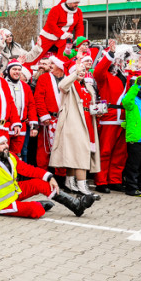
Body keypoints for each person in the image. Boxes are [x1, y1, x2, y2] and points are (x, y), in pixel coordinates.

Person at [0, 135, 91, 220]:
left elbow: (27, 169)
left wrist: (48, 176)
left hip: (13, 193)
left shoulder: (10, 156)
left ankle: (75, 205)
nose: (6, 146)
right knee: (36, 210)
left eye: (6, 142)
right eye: (2, 144)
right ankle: (39, 205)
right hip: (0, 205)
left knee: (41, 183)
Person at [49, 52, 101, 199]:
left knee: (74, 155)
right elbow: (62, 85)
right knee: (80, 154)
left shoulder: (88, 86)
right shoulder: (69, 86)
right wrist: (75, 72)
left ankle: (70, 182)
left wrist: (97, 110)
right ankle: (82, 185)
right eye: (79, 71)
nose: (82, 73)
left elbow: (90, 103)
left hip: (87, 121)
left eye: (84, 71)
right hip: (73, 123)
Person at [93, 41, 131, 193]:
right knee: (105, 151)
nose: (123, 62)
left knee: (120, 153)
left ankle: (114, 179)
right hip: (109, 118)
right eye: (121, 59)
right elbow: (97, 72)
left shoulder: (128, 77)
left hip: (124, 118)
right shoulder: (105, 76)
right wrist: (111, 54)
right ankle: (101, 181)